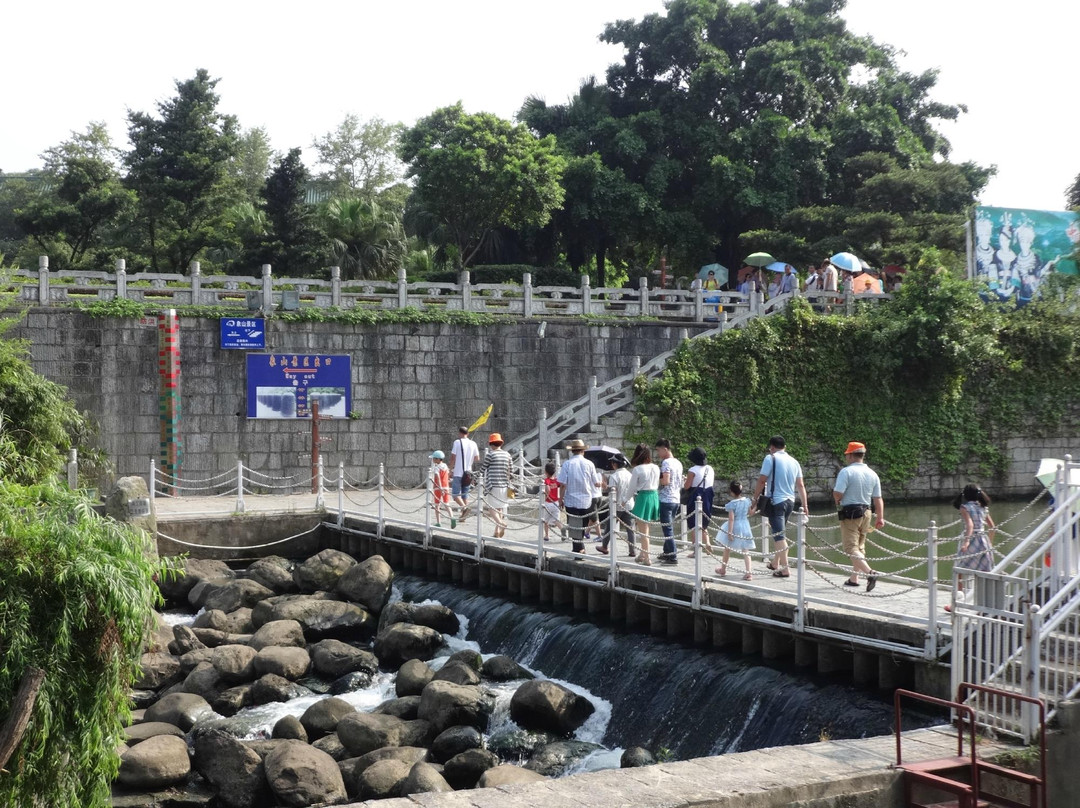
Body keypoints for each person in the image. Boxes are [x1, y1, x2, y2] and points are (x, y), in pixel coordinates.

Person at [750, 435, 808, 578]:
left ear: (772, 447)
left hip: (776, 502)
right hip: (790, 502)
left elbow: (762, 480)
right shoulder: (794, 462)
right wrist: (805, 504)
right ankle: (775, 563)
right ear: (785, 447)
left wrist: (755, 499)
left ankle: (785, 569)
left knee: (779, 536)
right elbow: (800, 485)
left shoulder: (770, 458)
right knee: (779, 533)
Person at [832, 441, 884, 592]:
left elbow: (838, 493)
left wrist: (837, 499)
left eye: (847, 454)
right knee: (860, 546)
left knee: (850, 548)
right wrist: (880, 517)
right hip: (867, 512)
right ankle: (854, 578)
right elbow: (878, 498)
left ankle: (870, 573)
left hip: (851, 513)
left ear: (850, 455)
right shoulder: (872, 473)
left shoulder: (846, 472)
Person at [948, 484, 995, 609]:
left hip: (972, 539)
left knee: (959, 570)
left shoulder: (965, 507)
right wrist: (990, 543)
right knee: (984, 571)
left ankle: (957, 602)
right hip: (983, 540)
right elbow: (992, 527)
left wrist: (966, 541)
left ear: (965, 495)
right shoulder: (983, 507)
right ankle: (985, 603)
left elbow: (970, 525)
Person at [557, 439, 601, 554]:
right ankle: (579, 548)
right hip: (586, 500)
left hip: (571, 499)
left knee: (574, 525)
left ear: (572, 451)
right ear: (583, 451)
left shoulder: (567, 464)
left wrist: (560, 499)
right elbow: (596, 483)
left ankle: (579, 548)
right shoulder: (589, 464)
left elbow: (562, 484)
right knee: (582, 525)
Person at [627, 443, 660, 565]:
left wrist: (624, 500)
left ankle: (647, 558)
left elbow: (631, 488)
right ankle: (642, 554)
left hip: (643, 497)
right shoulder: (656, 467)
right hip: (654, 496)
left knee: (643, 531)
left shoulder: (637, 469)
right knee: (646, 528)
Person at [716, 480, 754, 581]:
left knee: (727, 548)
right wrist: (756, 506)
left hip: (735, 526)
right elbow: (750, 513)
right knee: (745, 549)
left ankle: (723, 569)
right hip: (745, 525)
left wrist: (729, 532)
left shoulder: (732, 504)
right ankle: (749, 572)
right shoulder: (747, 501)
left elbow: (731, 519)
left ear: (732, 492)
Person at [654, 438, 684, 564]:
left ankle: (672, 556)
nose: (658, 453)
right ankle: (667, 552)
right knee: (669, 526)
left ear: (665, 449)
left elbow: (665, 481)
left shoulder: (666, 463)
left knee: (667, 529)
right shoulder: (678, 463)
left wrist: (656, 480)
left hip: (666, 499)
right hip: (676, 498)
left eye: (658, 450)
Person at [683, 446, 715, 557]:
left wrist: (685, 480)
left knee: (694, 523)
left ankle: (696, 550)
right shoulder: (710, 468)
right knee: (703, 521)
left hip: (696, 496)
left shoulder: (693, 470)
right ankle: (707, 543)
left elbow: (687, 486)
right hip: (708, 495)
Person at [601, 456, 635, 557]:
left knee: (609, 527)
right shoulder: (630, 475)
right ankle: (632, 550)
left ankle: (604, 546)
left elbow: (613, 491)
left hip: (617, 505)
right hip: (629, 504)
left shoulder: (614, 476)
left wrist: (606, 488)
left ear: (615, 464)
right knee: (630, 529)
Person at [481, 433, 512, 538]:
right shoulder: (507, 455)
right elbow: (511, 470)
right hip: (504, 485)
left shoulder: (490, 455)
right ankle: (496, 532)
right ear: (500, 443)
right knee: (500, 508)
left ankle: (501, 524)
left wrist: (474, 479)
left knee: (491, 508)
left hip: (493, 485)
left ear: (491, 444)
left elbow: (483, 468)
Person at [449, 425, 479, 528]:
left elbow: (453, 457)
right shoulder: (473, 443)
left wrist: (450, 469)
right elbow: (477, 458)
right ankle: (463, 516)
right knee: (465, 495)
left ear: (459, 433)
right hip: (468, 473)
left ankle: (464, 508)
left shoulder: (457, 442)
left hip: (458, 472)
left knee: (455, 494)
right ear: (468, 434)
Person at [541, 461, 567, 541]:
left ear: (546, 472)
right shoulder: (556, 481)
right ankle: (562, 528)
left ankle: (546, 536)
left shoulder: (546, 480)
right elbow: (562, 485)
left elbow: (548, 489)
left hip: (548, 502)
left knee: (545, 521)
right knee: (556, 520)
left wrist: (546, 496)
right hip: (556, 503)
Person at [430, 450, 451, 527]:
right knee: (446, 504)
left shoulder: (437, 468)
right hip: (446, 486)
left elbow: (438, 478)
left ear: (438, 459)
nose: (433, 460)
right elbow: (448, 474)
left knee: (437, 505)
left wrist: (440, 487)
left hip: (438, 488)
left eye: (434, 458)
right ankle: (452, 517)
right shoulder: (445, 466)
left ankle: (439, 522)